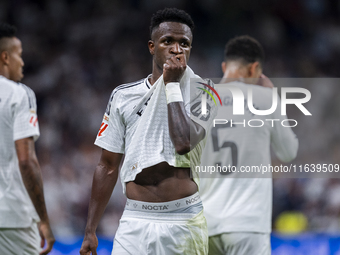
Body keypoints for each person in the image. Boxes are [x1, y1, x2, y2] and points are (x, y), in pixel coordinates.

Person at [80, 8, 216, 255]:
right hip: (134, 220)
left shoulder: (206, 93)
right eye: (168, 42)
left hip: (183, 221)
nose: (177, 49)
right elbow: (108, 165)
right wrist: (90, 229)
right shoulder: (123, 96)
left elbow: (183, 142)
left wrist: (172, 85)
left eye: (184, 43)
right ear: (152, 47)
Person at [199, 35, 299, 255]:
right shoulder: (264, 98)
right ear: (255, 69)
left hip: (205, 223)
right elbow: (288, 152)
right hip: (247, 223)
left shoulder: (200, 101)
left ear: (225, 66)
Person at [0, 23, 55, 255]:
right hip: (12, 216)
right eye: (19, 55)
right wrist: (43, 218)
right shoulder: (18, 93)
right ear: (5, 57)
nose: (22, 62)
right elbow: (26, 161)